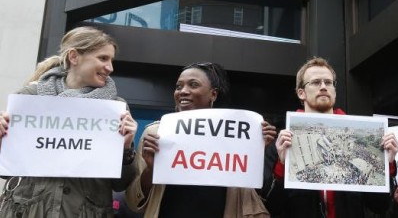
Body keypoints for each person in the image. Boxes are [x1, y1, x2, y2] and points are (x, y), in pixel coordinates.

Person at [0, 26, 138, 217]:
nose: (110, 68)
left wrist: (127, 148)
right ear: (74, 57)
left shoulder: (116, 109)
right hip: (29, 211)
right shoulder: (30, 98)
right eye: (103, 58)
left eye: (111, 60)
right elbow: (6, 170)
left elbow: (121, 184)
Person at [125, 62, 276, 217]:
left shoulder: (235, 136)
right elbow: (132, 202)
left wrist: (256, 150)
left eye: (193, 85)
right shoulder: (156, 134)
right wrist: (151, 170)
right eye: (178, 86)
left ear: (213, 94)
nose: (183, 91)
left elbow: (255, 194)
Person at [262, 56, 398, 218]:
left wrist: (387, 163)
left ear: (334, 90)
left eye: (328, 83)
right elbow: (272, 207)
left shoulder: (359, 137)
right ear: (301, 93)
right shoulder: (281, 144)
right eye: (315, 82)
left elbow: (380, 206)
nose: (323, 87)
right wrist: (282, 165)